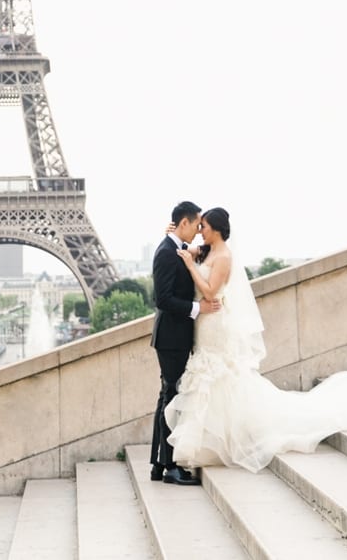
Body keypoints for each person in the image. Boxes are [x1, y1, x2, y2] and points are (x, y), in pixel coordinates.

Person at [165, 207, 347, 471]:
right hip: (206, 326)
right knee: (215, 382)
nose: (200, 230)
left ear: (217, 230)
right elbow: (188, 250)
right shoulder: (209, 250)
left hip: (214, 323)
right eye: (199, 226)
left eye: (204, 227)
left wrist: (191, 267)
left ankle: (219, 441)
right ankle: (212, 441)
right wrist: (176, 238)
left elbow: (212, 292)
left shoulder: (224, 257)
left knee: (220, 379)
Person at [149, 200, 222, 485]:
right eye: (196, 225)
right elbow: (162, 299)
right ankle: (171, 468)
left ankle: (159, 463)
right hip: (171, 336)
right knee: (173, 398)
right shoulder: (167, 253)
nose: (198, 230)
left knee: (167, 396)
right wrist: (197, 309)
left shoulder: (174, 248)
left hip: (171, 336)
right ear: (184, 223)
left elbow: (205, 249)